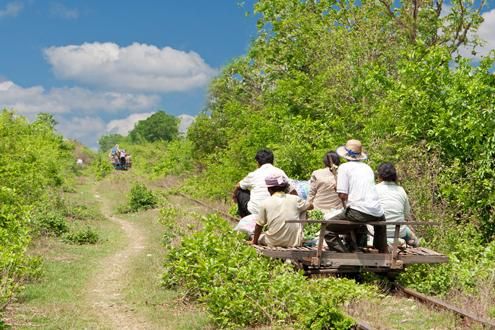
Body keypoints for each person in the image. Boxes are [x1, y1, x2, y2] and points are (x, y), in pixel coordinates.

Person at [324, 139, 388, 253]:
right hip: (378, 212)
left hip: (359, 212)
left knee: (326, 228)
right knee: (361, 224)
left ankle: (345, 255)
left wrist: (338, 190)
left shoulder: (344, 167)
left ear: (346, 155)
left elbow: (343, 196)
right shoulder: (367, 168)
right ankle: (381, 252)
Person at [251, 174, 312, 247]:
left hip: (273, 242)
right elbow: (311, 206)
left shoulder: (265, 202)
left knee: (257, 236)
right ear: (285, 188)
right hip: (294, 242)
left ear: (269, 189)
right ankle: (296, 236)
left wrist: (254, 241)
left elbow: (259, 225)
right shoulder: (295, 199)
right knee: (303, 208)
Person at [233, 149, 291, 217]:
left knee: (240, 191)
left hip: (255, 211)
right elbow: (290, 187)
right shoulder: (280, 172)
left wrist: (234, 196)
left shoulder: (254, 174)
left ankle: (245, 219)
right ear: (272, 161)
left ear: (257, 162)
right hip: (277, 211)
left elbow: (238, 185)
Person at [376, 163, 420, 247]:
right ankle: (413, 243)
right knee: (412, 235)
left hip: (378, 231)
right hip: (399, 232)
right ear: (395, 176)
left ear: (380, 176)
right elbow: (406, 214)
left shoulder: (375, 189)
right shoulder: (401, 190)